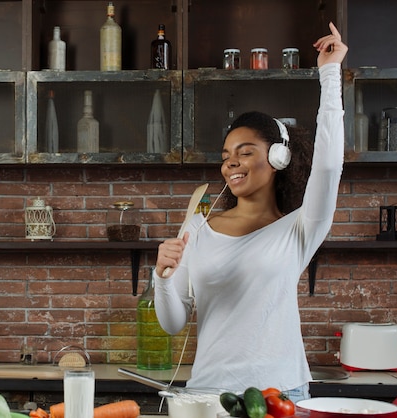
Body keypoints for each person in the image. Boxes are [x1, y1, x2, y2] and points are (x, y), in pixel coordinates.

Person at [153, 23, 348, 403]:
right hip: (208, 395)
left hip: (281, 394)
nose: (232, 165)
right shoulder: (198, 226)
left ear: (279, 157)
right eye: (226, 157)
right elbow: (173, 324)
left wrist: (330, 74)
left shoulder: (300, 228)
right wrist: (162, 276)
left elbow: (327, 168)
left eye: (245, 153)